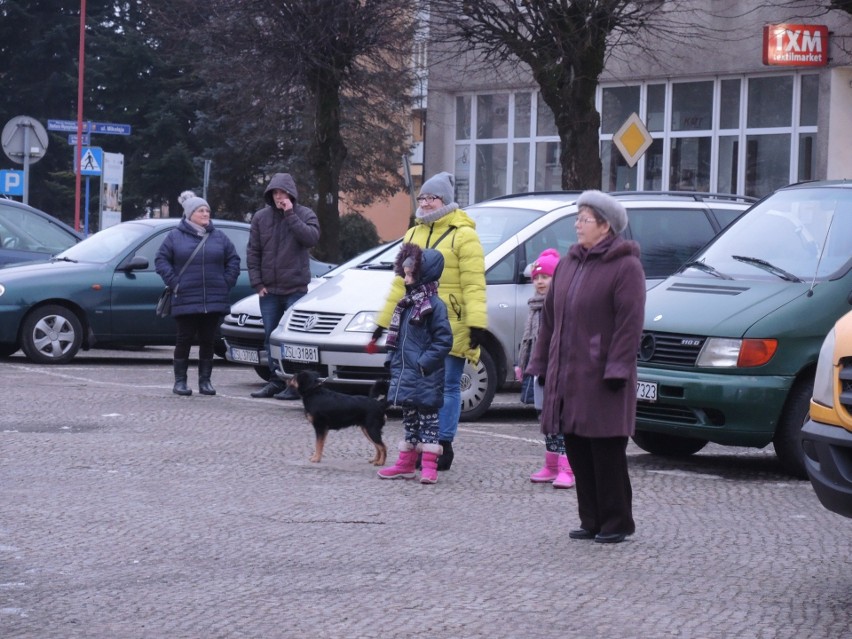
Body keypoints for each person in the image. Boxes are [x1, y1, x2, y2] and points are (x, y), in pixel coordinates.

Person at [526, 190, 645, 544]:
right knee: (577, 446)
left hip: (604, 376)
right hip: (569, 375)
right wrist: (542, 362)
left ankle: (617, 521)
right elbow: (549, 319)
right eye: (577, 218)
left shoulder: (626, 267)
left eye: (584, 219)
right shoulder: (569, 263)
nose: (577, 225)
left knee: (605, 450)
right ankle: (590, 519)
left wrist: (617, 369)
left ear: (605, 226)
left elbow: (629, 323)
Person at [374, 171, 487, 471]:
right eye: (422, 197)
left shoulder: (465, 234)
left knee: (448, 386)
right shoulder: (413, 234)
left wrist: (476, 324)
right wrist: (383, 322)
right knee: (417, 388)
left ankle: (443, 444)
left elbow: (475, 283)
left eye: (430, 197)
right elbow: (401, 283)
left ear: (445, 201)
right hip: (416, 325)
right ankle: (416, 446)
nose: (424, 203)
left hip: (452, 320)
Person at [377, 244, 453, 484]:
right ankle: (406, 464)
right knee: (409, 420)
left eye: (411, 274)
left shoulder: (434, 306)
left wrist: (423, 364)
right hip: (407, 374)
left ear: (424, 275)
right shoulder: (407, 304)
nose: (407, 279)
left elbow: (444, 341)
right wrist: (391, 360)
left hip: (425, 376)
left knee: (429, 422)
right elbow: (398, 339)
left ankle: (429, 466)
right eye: (405, 273)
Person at [155, 191, 241, 397]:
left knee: (208, 340)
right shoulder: (175, 236)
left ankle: (205, 382)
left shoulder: (219, 236)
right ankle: (180, 382)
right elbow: (161, 260)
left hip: (213, 298)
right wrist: (175, 283)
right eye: (201, 210)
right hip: (185, 296)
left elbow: (234, 260)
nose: (205, 214)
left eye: (207, 210)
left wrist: (225, 282)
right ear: (189, 214)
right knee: (183, 339)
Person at [247, 173, 320, 400]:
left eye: (282, 193)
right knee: (271, 337)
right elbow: (253, 251)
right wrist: (257, 283)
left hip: (295, 289)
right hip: (268, 290)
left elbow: (310, 238)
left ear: (291, 193)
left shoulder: (305, 214)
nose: (279, 197)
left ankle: (295, 385)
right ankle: (274, 381)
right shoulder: (261, 218)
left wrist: (290, 215)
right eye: (275, 193)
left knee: (293, 340)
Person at [517, 248, 575, 489]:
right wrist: (523, 365)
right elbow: (528, 340)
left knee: (561, 419)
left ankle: (567, 468)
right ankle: (551, 464)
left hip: (558, 371)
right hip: (539, 372)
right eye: (537, 278)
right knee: (546, 418)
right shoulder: (534, 306)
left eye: (546, 277)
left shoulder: (563, 305)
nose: (540, 282)